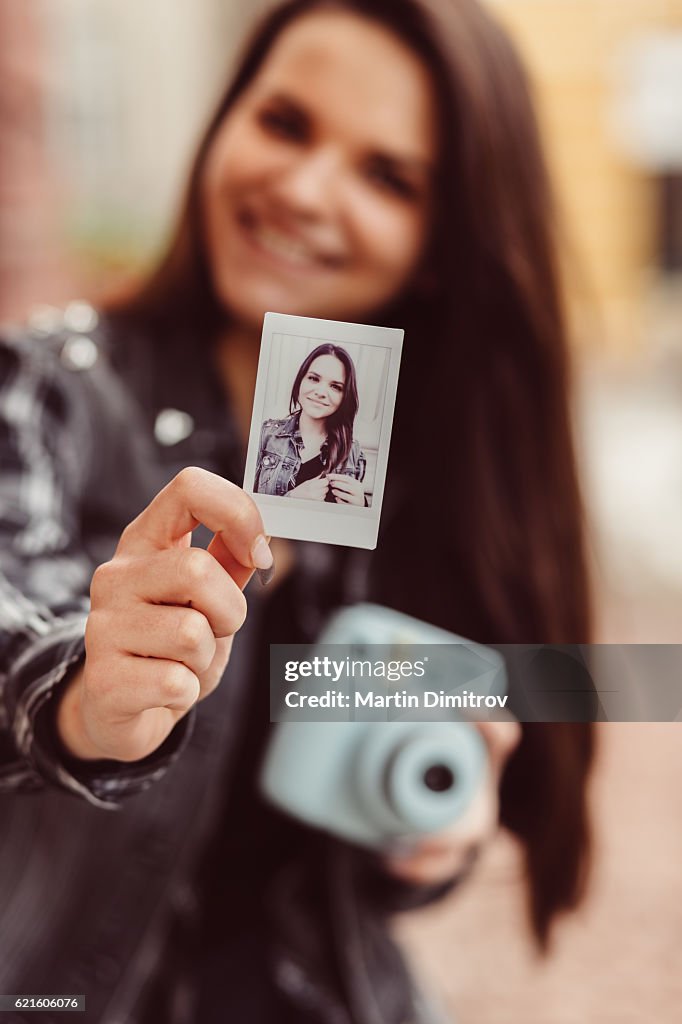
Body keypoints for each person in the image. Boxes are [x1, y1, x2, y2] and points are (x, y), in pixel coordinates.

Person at [0, 1, 594, 1021]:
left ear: (443, 241)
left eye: (387, 175)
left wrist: (425, 830)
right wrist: (87, 701)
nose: (305, 189)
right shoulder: (42, 388)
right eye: (284, 123)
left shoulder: (437, 478)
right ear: (222, 122)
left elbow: (367, 862)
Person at [254, 342, 368, 504]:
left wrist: (361, 506)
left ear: (345, 397)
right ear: (300, 381)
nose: (321, 392)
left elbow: (351, 525)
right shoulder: (265, 434)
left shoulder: (353, 451)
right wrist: (291, 500)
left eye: (335, 386)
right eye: (314, 378)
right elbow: (245, 507)